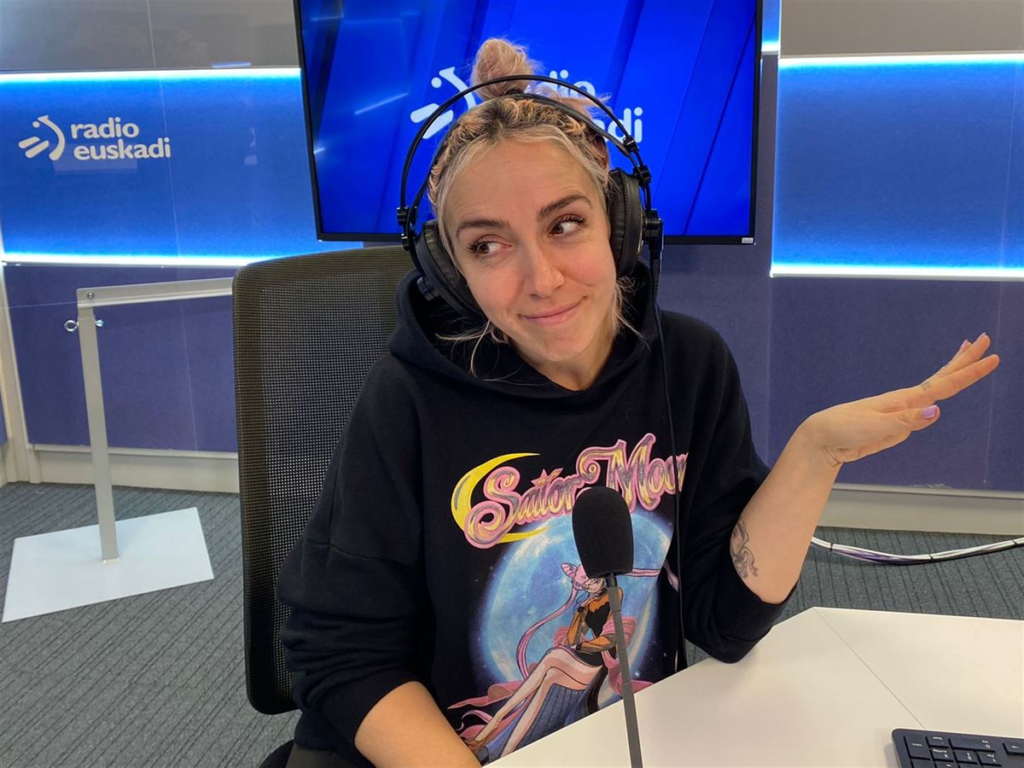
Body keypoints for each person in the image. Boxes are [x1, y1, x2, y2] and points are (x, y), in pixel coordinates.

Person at [276, 38, 1001, 768]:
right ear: (451, 270)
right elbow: (340, 654)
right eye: (488, 246)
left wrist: (815, 455)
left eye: (565, 224)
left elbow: (725, 625)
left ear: (619, 223)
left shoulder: (689, 366)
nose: (542, 279)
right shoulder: (409, 399)